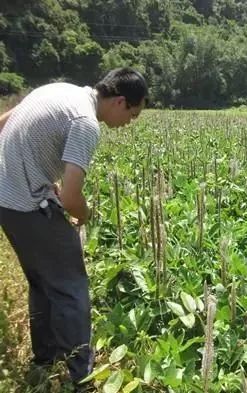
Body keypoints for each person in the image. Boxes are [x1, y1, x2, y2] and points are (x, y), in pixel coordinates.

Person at [0, 67, 147, 390]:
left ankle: (45, 357)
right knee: (71, 286)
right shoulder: (85, 124)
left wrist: (27, 170)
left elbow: (7, 119)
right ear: (120, 102)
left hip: (5, 200)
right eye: (133, 115)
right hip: (27, 204)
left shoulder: (60, 90)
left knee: (41, 280)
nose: (128, 124)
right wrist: (85, 214)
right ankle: (82, 375)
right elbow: (70, 197)